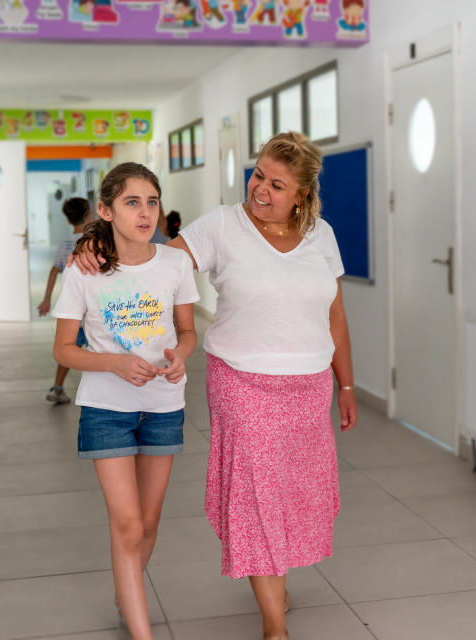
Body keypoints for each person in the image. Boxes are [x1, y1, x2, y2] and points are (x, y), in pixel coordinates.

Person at [73, 132, 358, 640]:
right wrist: (97, 244)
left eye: (276, 184)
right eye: (258, 175)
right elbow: (151, 261)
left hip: (308, 387)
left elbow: (334, 312)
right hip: (242, 384)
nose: (261, 190)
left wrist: (348, 386)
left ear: (302, 195)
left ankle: (277, 582)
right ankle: (274, 624)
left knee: (290, 494)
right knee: (256, 495)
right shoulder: (222, 226)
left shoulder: (322, 235)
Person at [53, 162, 199, 640]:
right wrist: (113, 362)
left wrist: (182, 355)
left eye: (152, 202)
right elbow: (63, 350)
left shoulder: (175, 264)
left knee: (150, 521)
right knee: (128, 523)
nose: (144, 212)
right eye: (132, 202)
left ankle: (126, 589)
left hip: (164, 404)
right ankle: (142, 631)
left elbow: (187, 331)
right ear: (106, 210)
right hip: (105, 409)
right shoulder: (84, 268)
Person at [38, 197, 91, 404]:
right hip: (93, 310)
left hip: (73, 311)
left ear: (69, 221)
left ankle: (57, 387)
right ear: (89, 215)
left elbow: (54, 271)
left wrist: (46, 300)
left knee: (69, 349)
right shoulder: (97, 241)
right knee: (100, 349)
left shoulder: (66, 243)